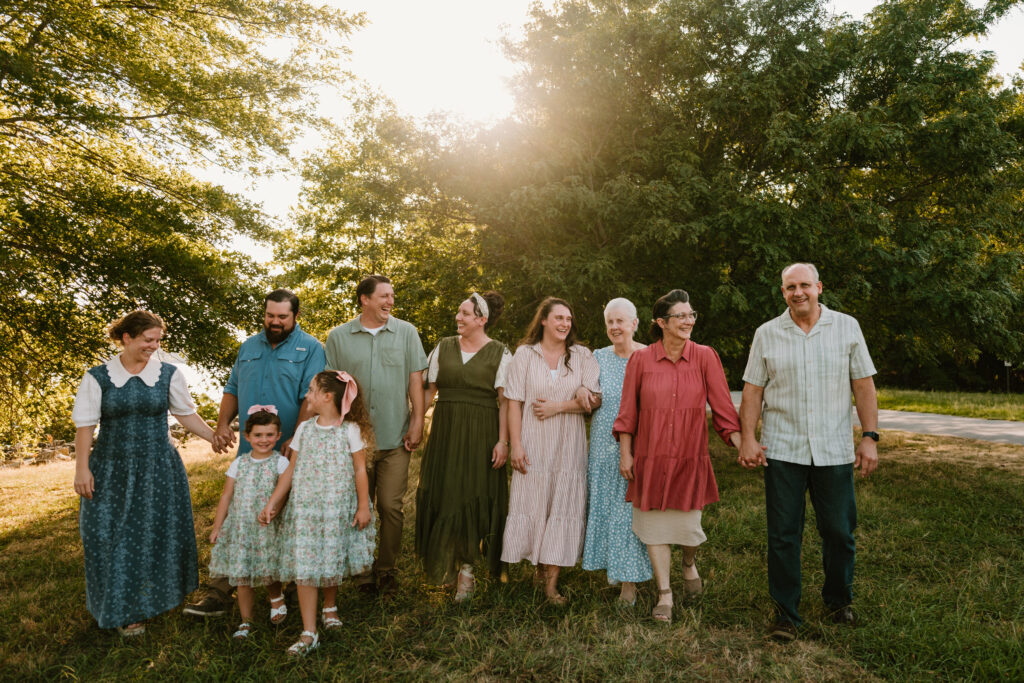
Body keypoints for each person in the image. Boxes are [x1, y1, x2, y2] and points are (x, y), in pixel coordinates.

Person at [738, 263, 879, 642]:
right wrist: (748, 438)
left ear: (818, 287)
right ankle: (786, 615)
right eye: (789, 287)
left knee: (839, 532)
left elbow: (863, 384)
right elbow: (753, 390)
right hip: (783, 448)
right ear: (782, 292)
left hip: (833, 450)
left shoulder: (846, 327)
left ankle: (838, 601)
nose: (797, 292)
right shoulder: (766, 334)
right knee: (784, 535)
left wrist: (869, 437)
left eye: (803, 285)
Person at [72, 310, 216, 636]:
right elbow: (85, 426)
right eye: (148, 340)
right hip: (110, 467)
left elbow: (185, 414)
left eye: (158, 340)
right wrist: (82, 469)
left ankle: (154, 599)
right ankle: (121, 608)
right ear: (127, 338)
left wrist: (213, 436)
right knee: (108, 536)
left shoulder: (168, 374)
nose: (154, 346)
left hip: (159, 466)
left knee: (156, 534)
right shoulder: (98, 377)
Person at [185, 288, 325, 618]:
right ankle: (220, 591)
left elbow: (311, 396)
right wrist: (222, 425)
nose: (274, 322)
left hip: (288, 451)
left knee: (288, 518)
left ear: (295, 317)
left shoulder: (312, 348)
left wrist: (297, 436)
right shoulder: (248, 346)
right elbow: (232, 388)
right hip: (249, 452)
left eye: (282, 317)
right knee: (239, 516)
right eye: (269, 315)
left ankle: (290, 587)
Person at [614, 289, 741, 624]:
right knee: (654, 530)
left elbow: (723, 408)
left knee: (688, 530)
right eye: (681, 316)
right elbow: (628, 412)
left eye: (691, 314)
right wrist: (626, 454)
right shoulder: (640, 361)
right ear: (661, 322)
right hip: (650, 458)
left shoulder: (705, 356)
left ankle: (688, 563)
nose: (689, 321)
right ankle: (665, 594)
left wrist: (742, 443)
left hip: (689, 457)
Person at [324, 275, 428, 596]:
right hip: (354, 442)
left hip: (396, 438)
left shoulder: (407, 333)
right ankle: (362, 572)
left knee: (391, 506)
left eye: (392, 296)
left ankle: (386, 570)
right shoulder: (338, 337)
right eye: (384, 296)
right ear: (364, 299)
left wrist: (417, 421)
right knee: (358, 505)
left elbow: (416, 382)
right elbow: (330, 389)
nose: (390, 302)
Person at [259, 371, 376, 656]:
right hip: (306, 510)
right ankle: (309, 631)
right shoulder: (304, 429)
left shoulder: (349, 430)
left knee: (331, 557)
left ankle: (330, 606)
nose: (306, 395)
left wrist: (363, 505)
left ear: (328, 396)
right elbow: (291, 471)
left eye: (311, 390)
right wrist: (274, 501)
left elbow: (360, 469)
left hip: (336, 508)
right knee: (306, 566)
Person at [501, 297, 601, 604]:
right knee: (536, 505)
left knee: (563, 507)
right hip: (532, 443)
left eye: (568, 319)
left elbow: (594, 400)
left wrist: (561, 405)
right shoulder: (524, 355)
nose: (564, 324)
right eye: (558, 318)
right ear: (543, 320)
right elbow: (514, 402)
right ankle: (537, 569)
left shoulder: (582, 355)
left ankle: (550, 585)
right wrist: (515, 445)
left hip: (568, 447)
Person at [414, 292, 512, 601]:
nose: (459, 317)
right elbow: (428, 391)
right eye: (459, 312)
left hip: (482, 430)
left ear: (481, 320)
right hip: (446, 429)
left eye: (465, 313)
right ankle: (446, 564)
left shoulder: (500, 353)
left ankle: (467, 570)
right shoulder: (443, 347)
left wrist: (502, 441)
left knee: (474, 495)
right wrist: (416, 424)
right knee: (445, 493)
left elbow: (506, 402)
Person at [581, 298, 652, 605]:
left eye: (620, 321)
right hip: (601, 444)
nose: (614, 327)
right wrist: (582, 390)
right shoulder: (597, 357)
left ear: (634, 324)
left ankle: (630, 583)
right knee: (606, 508)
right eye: (610, 321)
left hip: (638, 443)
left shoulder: (649, 355)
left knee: (627, 511)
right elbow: (583, 384)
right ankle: (614, 569)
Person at [207, 406, 291, 639]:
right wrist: (217, 527)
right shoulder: (239, 463)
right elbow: (226, 496)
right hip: (241, 527)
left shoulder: (280, 463)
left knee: (268, 568)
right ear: (247, 437)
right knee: (242, 575)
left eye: (269, 435)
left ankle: (276, 598)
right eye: (258, 435)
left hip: (267, 525)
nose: (264, 440)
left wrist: (275, 511)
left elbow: (283, 494)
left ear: (278, 436)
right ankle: (246, 621)